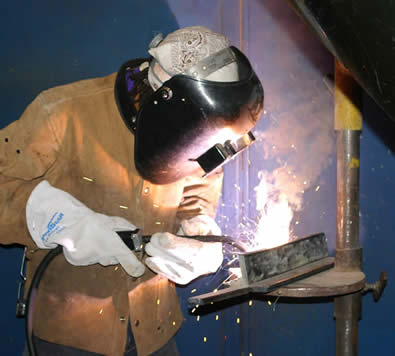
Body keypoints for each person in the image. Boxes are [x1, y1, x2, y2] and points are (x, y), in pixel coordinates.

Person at [0, 26, 263, 355]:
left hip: (154, 332)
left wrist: (198, 230)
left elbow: (199, 186)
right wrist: (60, 221)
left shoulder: (201, 125)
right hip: (69, 337)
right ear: (165, 95)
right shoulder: (61, 112)